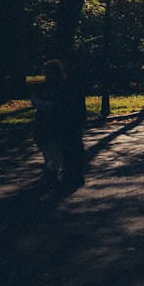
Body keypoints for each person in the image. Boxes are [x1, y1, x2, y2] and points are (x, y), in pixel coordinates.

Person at [31, 59, 86, 189]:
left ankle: (59, 174)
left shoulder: (58, 86)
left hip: (59, 122)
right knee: (65, 150)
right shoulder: (67, 85)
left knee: (61, 150)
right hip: (63, 122)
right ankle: (67, 175)